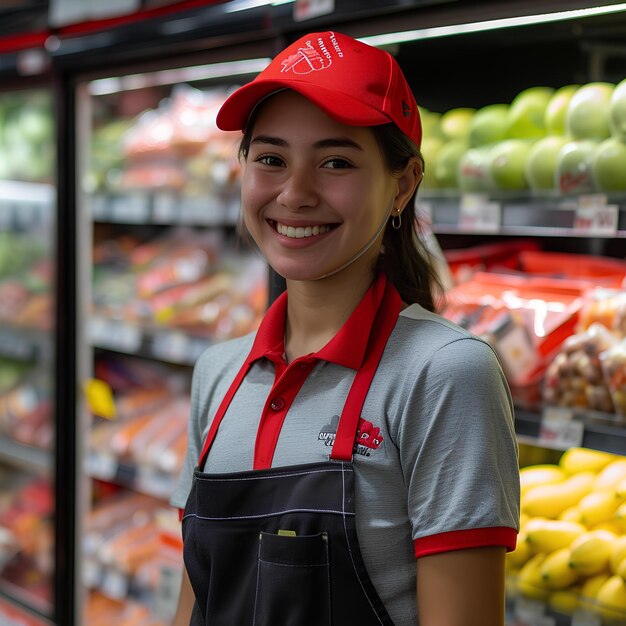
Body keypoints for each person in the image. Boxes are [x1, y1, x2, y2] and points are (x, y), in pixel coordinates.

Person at [171, 30, 519, 626]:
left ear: (403, 185)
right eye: (270, 159)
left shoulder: (443, 373)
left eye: (335, 162)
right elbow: (194, 605)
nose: (295, 193)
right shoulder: (219, 375)